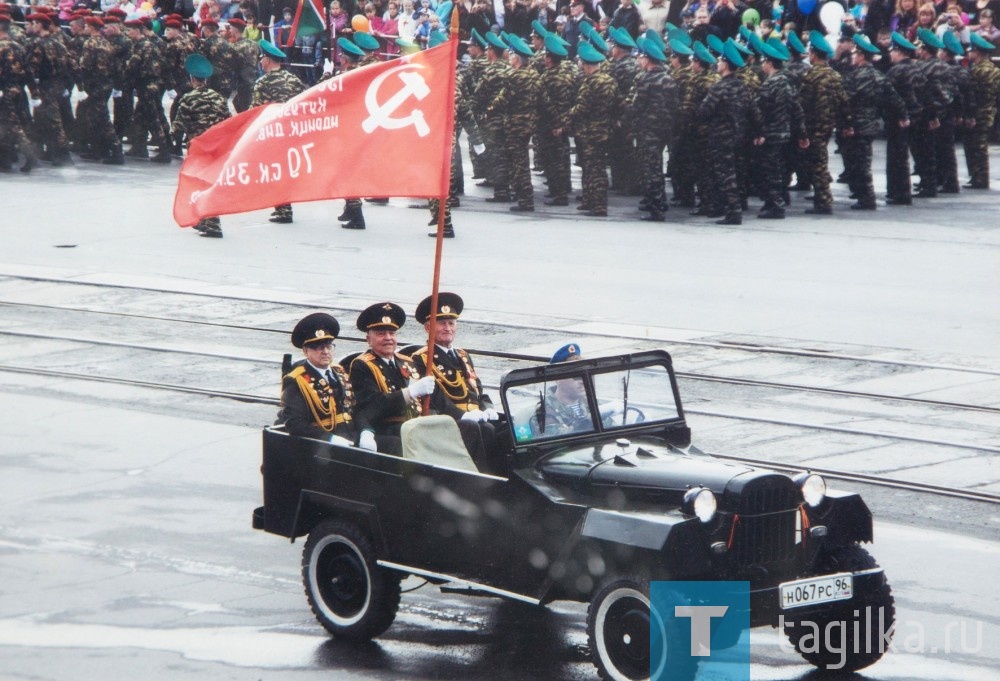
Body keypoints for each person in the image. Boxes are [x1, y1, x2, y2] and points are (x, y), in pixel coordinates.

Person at [409, 293, 506, 474]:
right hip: (450, 417)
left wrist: (487, 407)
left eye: (451, 323)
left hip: (475, 415)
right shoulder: (422, 358)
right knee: (482, 429)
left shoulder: (462, 355)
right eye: (442, 323)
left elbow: (477, 389)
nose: (448, 328)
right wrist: (463, 415)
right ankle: (484, 482)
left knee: (507, 427)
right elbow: (435, 398)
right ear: (428, 328)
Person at [348, 302, 433, 454]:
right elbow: (374, 405)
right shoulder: (362, 366)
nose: (388, 338)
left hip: (414, 424)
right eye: (381, 334)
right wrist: (411, 391)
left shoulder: (406, 362)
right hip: (386, 429)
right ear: (369, 339)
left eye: (392, 333)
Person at [842, 33, 907, 210]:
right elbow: (894, 98)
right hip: (871, 124)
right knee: (863, 160)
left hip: (856, 125)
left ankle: (866, 197)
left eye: (855, 54)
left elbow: (846, 102)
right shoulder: (879, 76)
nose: (853, 57)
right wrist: (903, 116)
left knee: (859, 163)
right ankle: (863, 194)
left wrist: (845, 124)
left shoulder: (855, 77)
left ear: (861, 55)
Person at [170, 53, 231, 236]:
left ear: (192, 78)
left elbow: (178, 126)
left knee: (200, 184)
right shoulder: (218, 97)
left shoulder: (189, 98)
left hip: (198, 147)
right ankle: (204, 220)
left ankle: (212, 224)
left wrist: (170, 139)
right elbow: (228, 122)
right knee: (209, 182)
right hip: (216, 147)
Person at [698, 38, 757, 225]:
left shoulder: (719, 87)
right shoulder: (741, 86)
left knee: (724, 175)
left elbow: (703, 112)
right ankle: (723, 207)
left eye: (720, 61)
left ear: (725, 64)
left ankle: (733, 212)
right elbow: (754, 111)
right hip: (738, 135)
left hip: (720, 137)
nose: (717, 64)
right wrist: (758, 131)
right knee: (732, 173)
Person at [276, 313, 358, 445]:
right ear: (306, 351)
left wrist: (367, 431)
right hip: (324, 444)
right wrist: (329, 439)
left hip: (352, 434)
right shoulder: (297, 380)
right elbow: (295, 424)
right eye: (319, 347)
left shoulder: (339, 371)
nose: (325, 351)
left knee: (392, 444)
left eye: (329, 346)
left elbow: (354, 406)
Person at [797, 30, 853, 215]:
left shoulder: (810, 76)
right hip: (828, 125)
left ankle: (823, 201)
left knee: (818, 164)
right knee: (820, 161)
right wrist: (846, 125)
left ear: (813, 54)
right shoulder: (835, 76)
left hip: (814, 126)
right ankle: (823, 196)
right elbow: (844, 102)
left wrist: (801, 130)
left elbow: (802, 105)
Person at [563, 41, 621, 217]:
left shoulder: (590, 83)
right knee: (596, 167)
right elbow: (620, 105)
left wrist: (566, 118)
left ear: (587, 65)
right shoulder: (610, 81)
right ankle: (590, 201)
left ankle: (599, 206)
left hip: (590, 132)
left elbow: (581, 107)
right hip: (605, 130)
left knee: (594, 169)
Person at [752, 38, 807, 219]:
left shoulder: (771, 84)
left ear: (769, 63)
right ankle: (773, 201)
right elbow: (796, 109)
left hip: (771, 133)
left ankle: (775, 205)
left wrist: (757, 132)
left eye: (764, 62)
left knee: (770, 170)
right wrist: (801, 133)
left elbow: (758, 111)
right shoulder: (786, 82)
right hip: (784, 131)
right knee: (778, 168)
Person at [486, 33, 541, 212]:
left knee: (520, 164)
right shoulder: (534, 75)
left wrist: (488, 112)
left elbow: (502, 100)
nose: (509, 59)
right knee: (521, 161)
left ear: (516, 59)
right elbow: (543, 100)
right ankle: (523, 196)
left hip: (515, 126)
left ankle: (525, 200)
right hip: (529, 124)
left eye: (511, 56)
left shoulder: (515, 77)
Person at [627, 35, 678, 222]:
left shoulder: (646, 80)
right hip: (664, 130)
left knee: (652, 170)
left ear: (647, 59)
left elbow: (637, 107)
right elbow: (675, 106)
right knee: (656, 166)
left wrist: (624, 111)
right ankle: (660, 202)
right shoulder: (669, 79)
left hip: (648, 130)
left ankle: (656, 210)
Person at [253, 39, 306, 223]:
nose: (260, 62)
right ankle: (283, 207)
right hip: (291, 131)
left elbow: (255, 111)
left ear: (267, 60)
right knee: (286, 168)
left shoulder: (263, 83)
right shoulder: (294, 79)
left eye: (262, 59)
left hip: (273, 132)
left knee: (278, 169)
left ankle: (283, 209)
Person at [530, 343, 593, 436]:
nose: (582, 381)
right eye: (576, 376)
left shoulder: (590, 404)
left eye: (584, 375)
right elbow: (552, 439)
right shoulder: (544, 412)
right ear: (558, 379)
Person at [963, 33, 1000, 187]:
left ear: (977, 52)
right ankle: (978, 176)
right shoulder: (993, 69)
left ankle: (980, 178)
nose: (968, 53)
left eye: (970, 51)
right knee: (979, 145)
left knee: (976, 146)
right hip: (989, 110)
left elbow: (971, 92)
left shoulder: (978, 71)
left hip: (979, 111)